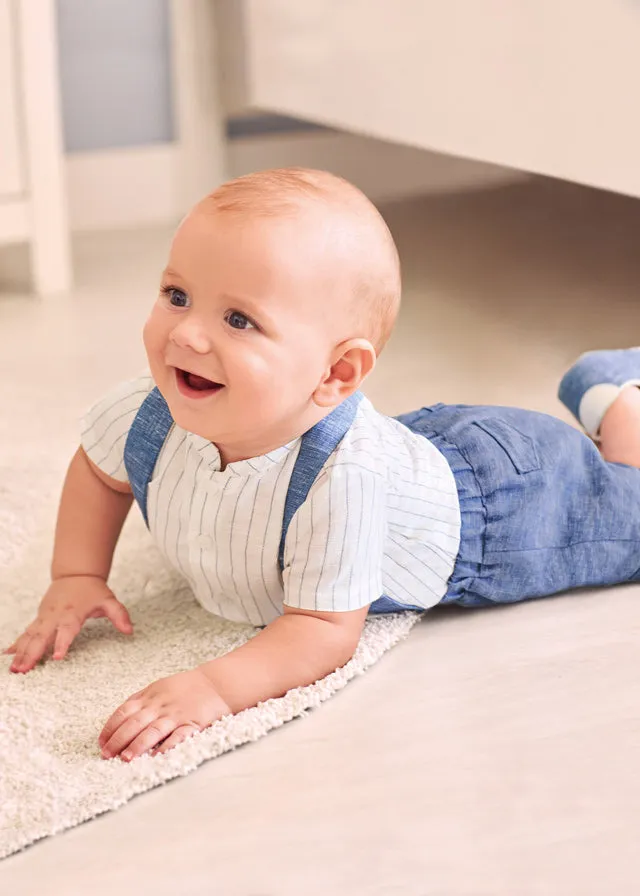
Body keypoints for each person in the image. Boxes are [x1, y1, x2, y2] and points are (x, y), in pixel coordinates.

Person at [4, 168, 640, 764]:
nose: (188, 336)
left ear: (336, 374)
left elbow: (321, 629)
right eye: (177, 295)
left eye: (238, 319)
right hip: (418, 448)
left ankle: (617, 397)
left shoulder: (343, 478)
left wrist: (213, 688)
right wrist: (76, 576)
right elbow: (98, 469)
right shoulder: (146, 413)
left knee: (629, 507)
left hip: (505, 504)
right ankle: (602, 391)